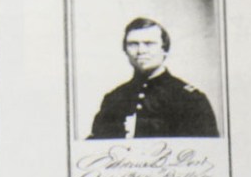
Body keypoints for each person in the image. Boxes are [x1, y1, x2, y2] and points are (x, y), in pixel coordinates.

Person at [89, 17, 218, 139]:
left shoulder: (190, 99)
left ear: (165, 49)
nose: (141, 51)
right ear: (125, 50)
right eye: (133, 44)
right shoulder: (114, 99)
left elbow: (206, 153)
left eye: (149, 44)